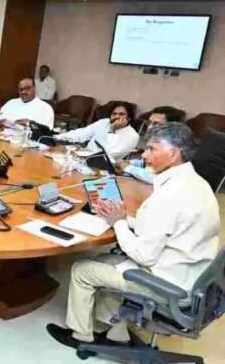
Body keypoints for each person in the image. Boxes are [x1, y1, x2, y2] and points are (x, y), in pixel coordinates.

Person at [47, 122, 220, 350]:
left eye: (151, 149)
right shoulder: (197, 184)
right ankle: (115, 334)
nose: (144, 155)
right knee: (105, 260)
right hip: (190, 276)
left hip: (168, 286)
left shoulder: (170, 195)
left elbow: (144, 255)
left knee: (82, 270)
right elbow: (166, 229)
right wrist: (122, 218)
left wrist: (118, 222)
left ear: (173, 154)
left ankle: (81, 337)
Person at [115, 106, 183, 184]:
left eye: (156, 124)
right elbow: (144, 163)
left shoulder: (175, 149)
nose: (150, 127)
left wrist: (128, 168)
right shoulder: (155, 142)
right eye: (149, 123)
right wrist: (127, 163)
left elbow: (161, 179)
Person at [55, 101, 139, 161]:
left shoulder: (132, 136)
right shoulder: (104, 122)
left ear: (129, 118)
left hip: (104, 167)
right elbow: (82, 133)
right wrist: (58, 137)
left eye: (121, 114)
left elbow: (109, 154)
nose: (117, 116)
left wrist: (112, 130)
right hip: (83, 158)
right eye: (114, 114)